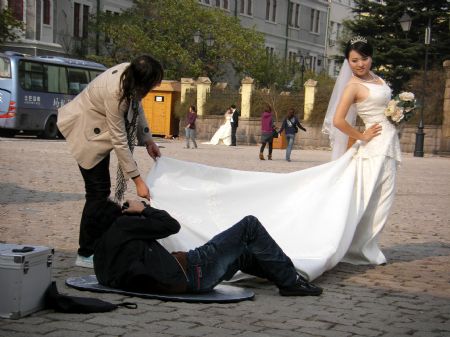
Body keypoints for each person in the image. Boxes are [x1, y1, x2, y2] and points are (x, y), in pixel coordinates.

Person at [146, 36, 401, 282]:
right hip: (371, 148)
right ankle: (360, 249)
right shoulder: (353, 86)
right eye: (354, 60)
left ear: (371, 58)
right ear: (348, 62)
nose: (360, 64)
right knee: (367, 199)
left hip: (389, 143)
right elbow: (338, 120)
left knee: (382, 199)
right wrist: (361, 135)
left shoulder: (379, 80)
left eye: (363, 59)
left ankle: (366, 247)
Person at [57, 55, 163, 268]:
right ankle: (86, 252)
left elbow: (138, 106)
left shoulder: (129, 77)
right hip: (86, 130)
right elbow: (119, 140)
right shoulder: (116, 94)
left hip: (98, 130)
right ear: (142, 82)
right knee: (97, 192)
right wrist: (137, 180)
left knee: (99, 191)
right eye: (152, 85)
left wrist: (147, 138)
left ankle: (97, 244)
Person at [93, 199, 323, 297]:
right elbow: (171, 225)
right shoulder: (123, 227)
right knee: (249, 226)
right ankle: (290, 282)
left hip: (184, 273)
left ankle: (285, 276)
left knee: (242, 254)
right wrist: (142, 209)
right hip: (192, 271)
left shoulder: (102, 253)